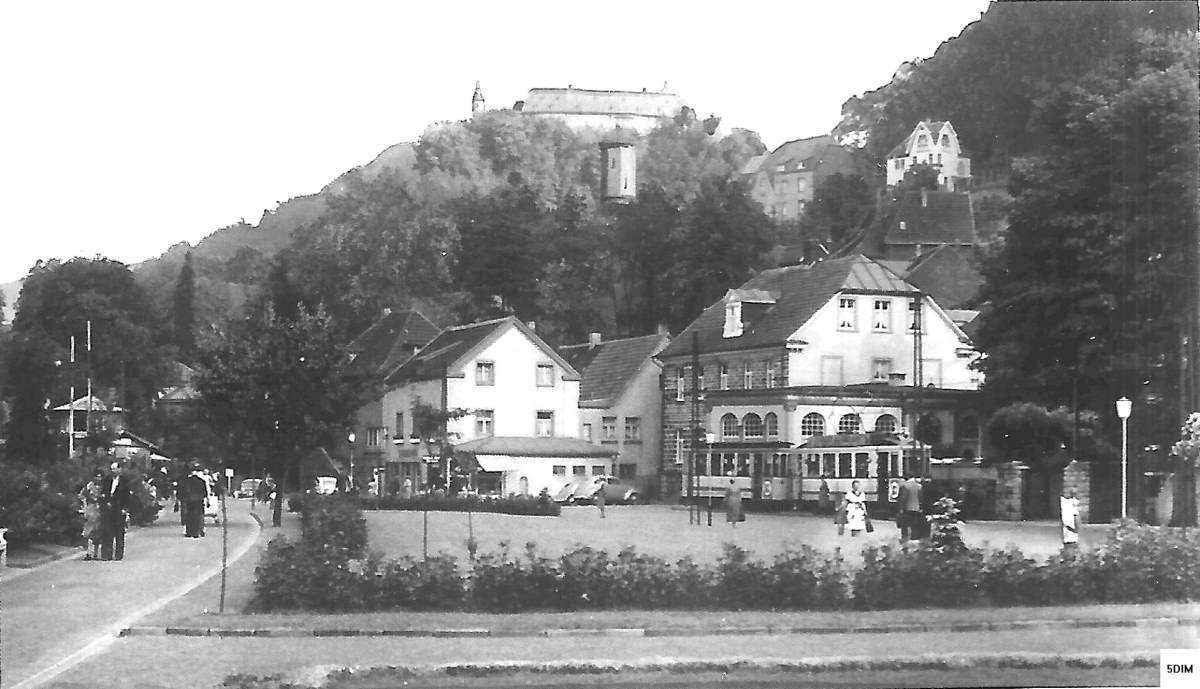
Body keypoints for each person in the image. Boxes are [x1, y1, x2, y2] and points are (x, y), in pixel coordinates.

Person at [99, 461, 131, 560]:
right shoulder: (107, 480)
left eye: (115, 469)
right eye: (111, 469)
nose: (113, 471)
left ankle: (118, 555)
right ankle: (106, 555)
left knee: (119, 533)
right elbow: (103, 492)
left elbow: (127, 496)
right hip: (108, 509)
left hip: (119, 509)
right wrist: (106, 502)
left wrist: (125, 509)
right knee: (107, 532)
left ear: (119, 469)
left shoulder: (125, 481)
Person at [78, 469, 105, 560]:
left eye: (100, 476)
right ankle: (89, 553)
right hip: (91, 509)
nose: (98, 478)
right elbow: (82, 495)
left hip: (101, 510)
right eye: (97, 476)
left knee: (98, 533)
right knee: (89, 532)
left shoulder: (104, 486)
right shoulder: (89, 486)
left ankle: (96, 554)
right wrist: (85, 506)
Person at [180, 465, 209, 538]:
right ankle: (196, 532)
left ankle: (189, 532)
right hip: (198, 501)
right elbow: (205, 493)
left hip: (189, 500)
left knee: (189, 516)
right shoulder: (201, 481)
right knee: (198, 516)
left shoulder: (186, 481)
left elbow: (183, 491)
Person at [896, 473, 925, 541]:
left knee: (904, 525)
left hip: (907, 508)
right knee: (914, 524)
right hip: (916, 508)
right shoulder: (919, 486)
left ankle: (905, 538)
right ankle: (914, 537)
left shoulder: (905, 486)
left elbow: (903, 498)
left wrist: (901, 508)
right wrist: (920, 507)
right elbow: (921, 498)